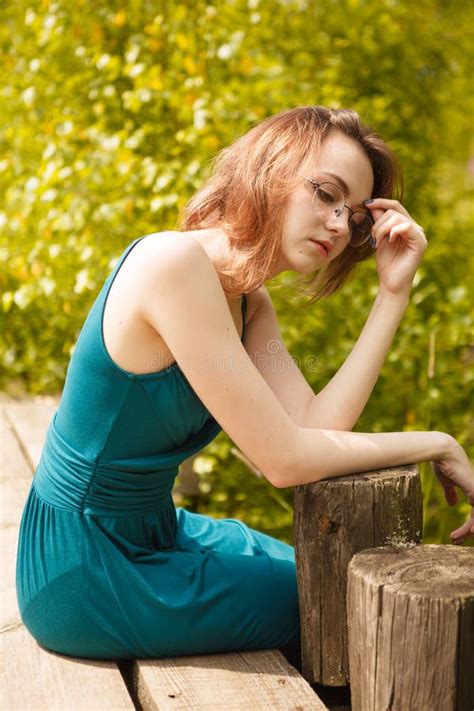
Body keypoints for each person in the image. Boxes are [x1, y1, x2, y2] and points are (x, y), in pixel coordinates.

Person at [16, 106, 474, 664]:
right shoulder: (173, 264)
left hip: (156, 534)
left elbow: (314, 428)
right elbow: (284, 461)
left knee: (329, 571)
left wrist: (392, 295)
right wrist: (438, 442)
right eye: (327, 194)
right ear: (272, 168)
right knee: (335, 599)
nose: (338, 223)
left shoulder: (248, 301)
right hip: (82, 567)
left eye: (355, 216)